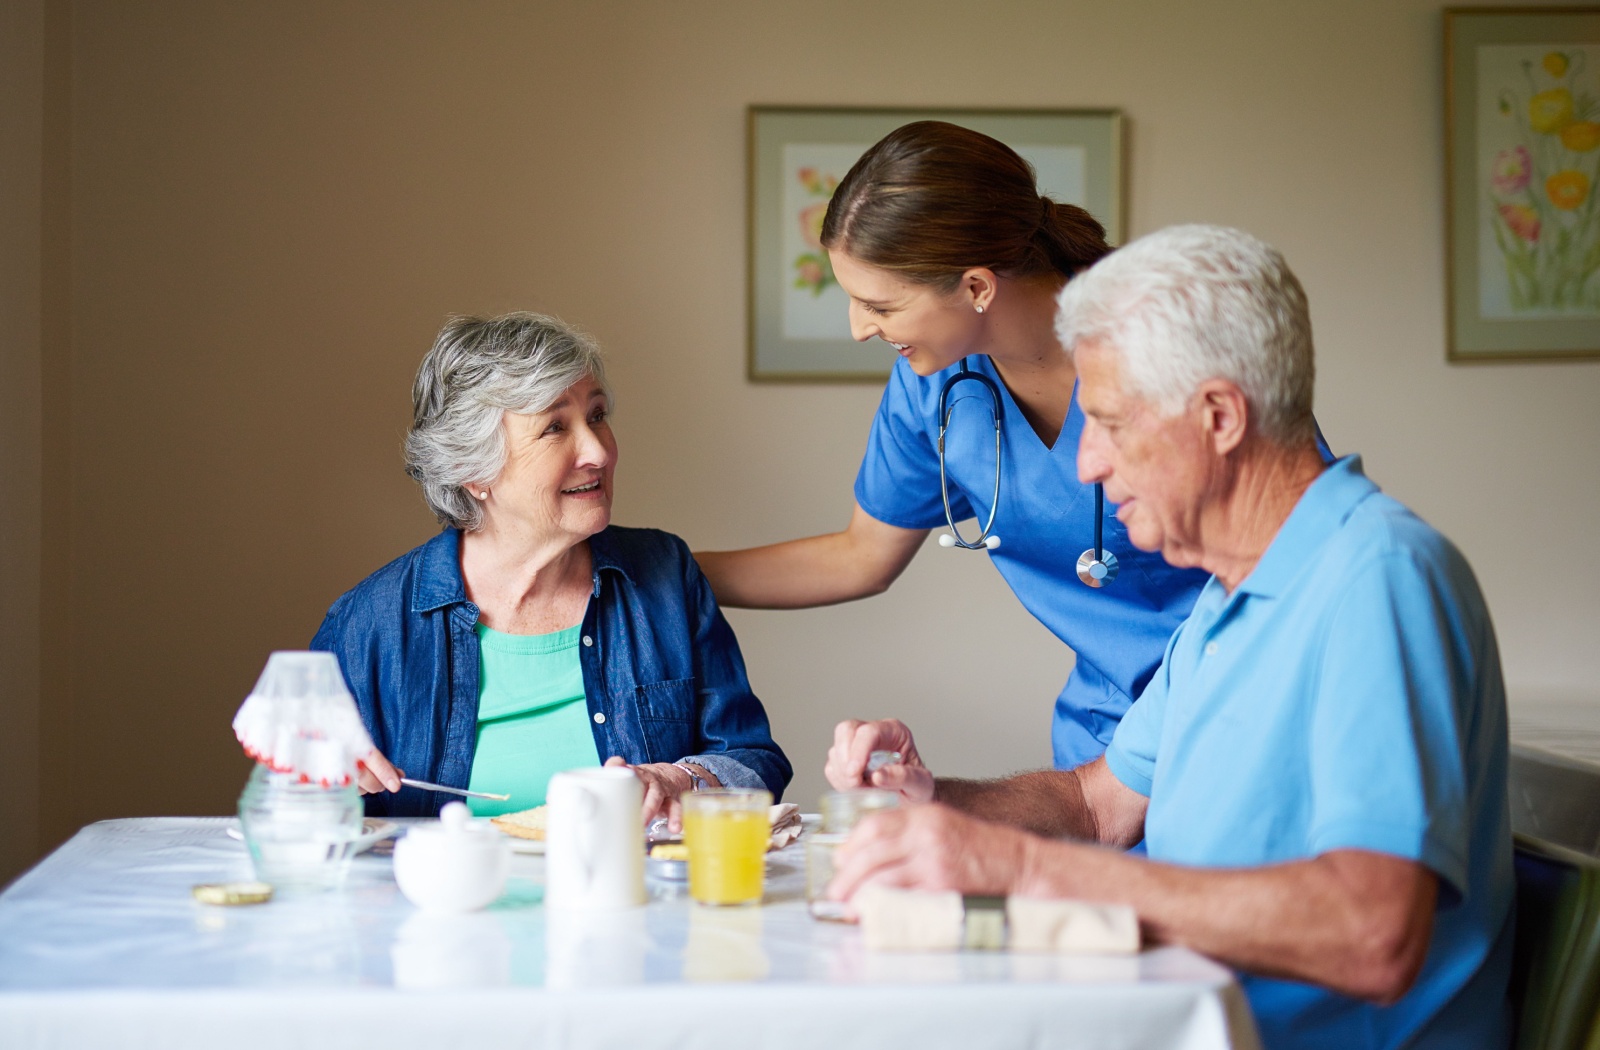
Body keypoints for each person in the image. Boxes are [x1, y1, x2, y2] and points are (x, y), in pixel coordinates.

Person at [825, 226, 1513, 1049]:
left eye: (1109, 422)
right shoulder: (1225, 604)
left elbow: (1374, 931)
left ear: (1219, 416)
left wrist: (1026, 871)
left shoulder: (1377, 579)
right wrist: (937, 803)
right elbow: (1096, 804)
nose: (1085, 463)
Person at [698, 121, 1326, 770]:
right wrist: (654, 572)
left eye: (879, 305)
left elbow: (1306, 548)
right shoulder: (935, 385)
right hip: (1108, 739)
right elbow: (861, 556)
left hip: (1254, 713)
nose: (860, 328)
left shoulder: (1170, 338)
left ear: (975, 287)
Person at [312, 312, 791, 821]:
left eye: (598, 415)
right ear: (474, 470)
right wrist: (320, 785)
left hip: (632, 894)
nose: (598, 452)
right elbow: (294, 802)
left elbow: (754, 761)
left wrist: (681, 779)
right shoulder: (370, 624)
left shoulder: (666, 575)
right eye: (555, 427)